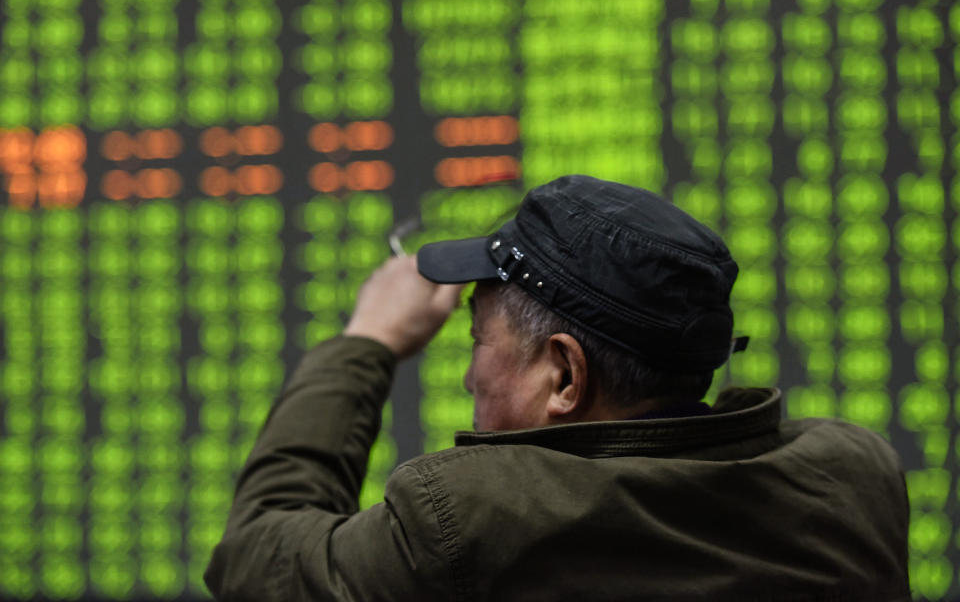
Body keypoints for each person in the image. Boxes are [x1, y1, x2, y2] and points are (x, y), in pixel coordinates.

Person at [205, 175, 911, 601]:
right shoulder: (854, 480)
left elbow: (256, 556)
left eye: (477, 342)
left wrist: (368, 342)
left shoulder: (474, 522)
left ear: (566, 375)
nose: (467, 373)